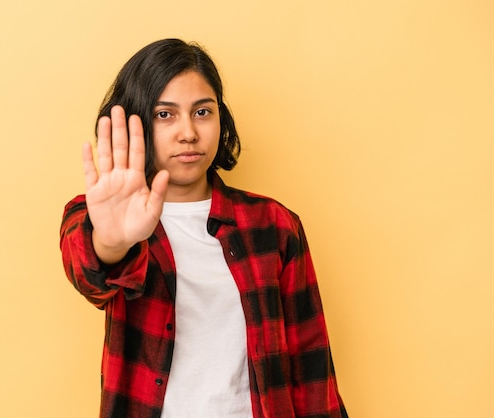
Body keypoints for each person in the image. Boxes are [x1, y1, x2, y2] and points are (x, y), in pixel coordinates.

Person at [60, 38, 348, 418]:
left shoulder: (274, 225)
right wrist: (113, 242)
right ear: (137, 122)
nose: (188, 133)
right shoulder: (101, 215)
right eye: (165, 114)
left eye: (202, 112)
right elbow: (89, 273)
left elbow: (311, 365)